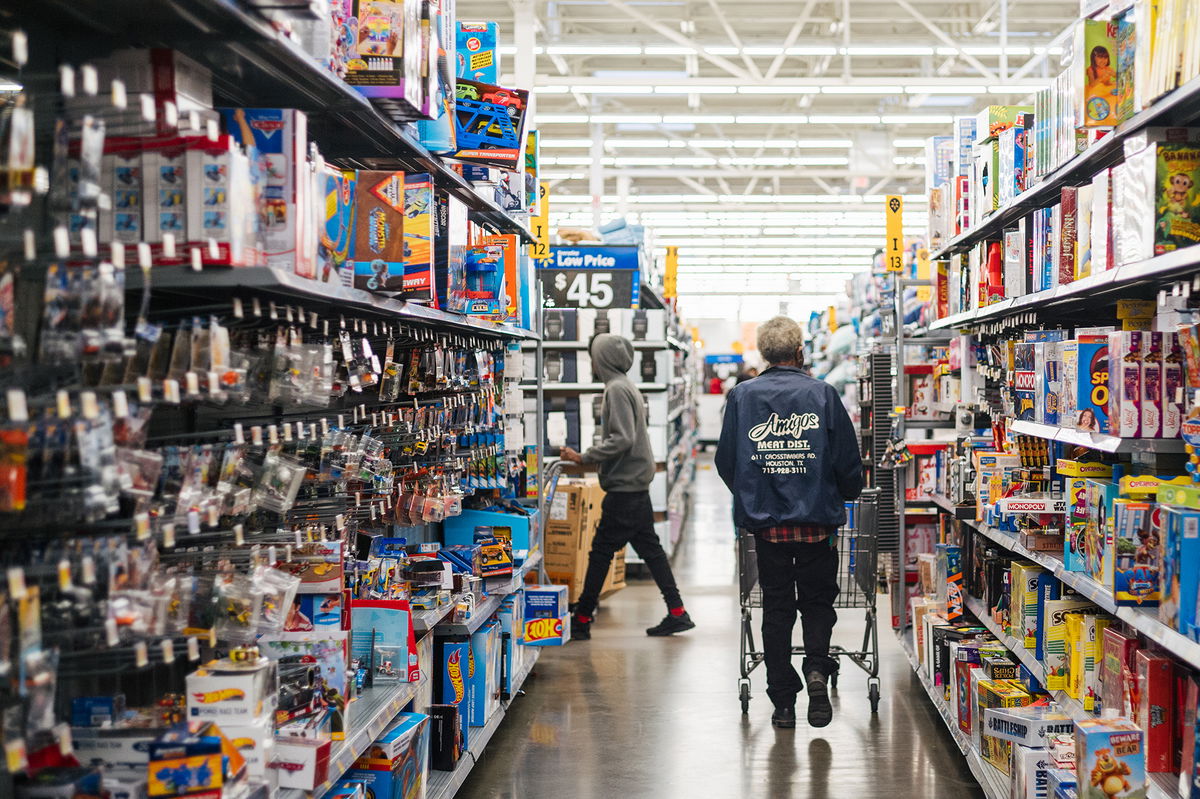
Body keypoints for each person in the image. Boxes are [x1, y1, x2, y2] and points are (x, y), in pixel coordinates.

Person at [715, 316, 863, 730]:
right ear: (800, 351)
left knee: (776, 610)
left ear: (764, 355)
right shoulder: (823, 394)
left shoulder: (743, 397)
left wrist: (752, 493)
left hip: (767, 529)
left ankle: (782, 700)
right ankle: (817, 668)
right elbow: (846, 460)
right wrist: (845, 493)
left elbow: (726, 460)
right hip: (816, 525)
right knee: (818, 604)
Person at [560, 333, 694, 640]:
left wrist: (584, 457)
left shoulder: (617, 389)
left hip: (625, 490)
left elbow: (622, 439)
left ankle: (581, 618)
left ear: (603, 359)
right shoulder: (624, 386)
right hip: (634, 486)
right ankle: (677, 612)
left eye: (595, 356)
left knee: (601, 552)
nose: (592, 362)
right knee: (651, 551)